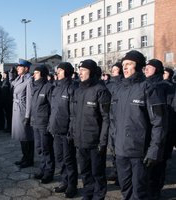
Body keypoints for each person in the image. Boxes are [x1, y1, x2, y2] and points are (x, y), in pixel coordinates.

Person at [110, 50, 166, 200]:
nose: (125, 68)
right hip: (121, 151)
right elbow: (113, 119)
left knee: (140, 192)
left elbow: (159, 123)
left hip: (139, 152)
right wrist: (113, 142)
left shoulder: (148, 88)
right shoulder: (119, 89)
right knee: (125, 188)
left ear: (139, 66)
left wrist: (154, 150)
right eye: (123, 65)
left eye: (129, 64)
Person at [70, 59, 111, 200]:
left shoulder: (101, 90)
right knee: (85, 171)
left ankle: (98, 196)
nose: (80, 73)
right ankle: (88, 194)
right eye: (79, 70)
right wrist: (72, 132)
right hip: (80, 140)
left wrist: (103, 141)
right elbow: (74, 115)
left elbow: (106, 118)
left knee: (97, 172)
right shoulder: (78, 90)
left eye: (83, 70)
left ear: (91, 72)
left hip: (95, 142)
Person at [145, 59, 175, 199]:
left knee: (158, 163)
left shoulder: (166, 87)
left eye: (149, 67)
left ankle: (155, 190)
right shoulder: (144, 85)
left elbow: (171, 110)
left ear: (156, 69)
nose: (146, 69)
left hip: (164, 130)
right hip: (147, 131)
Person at [48, 62, 78, 198]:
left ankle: (72, 185)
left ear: (66, 72)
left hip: (66, 131)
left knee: (69, 159)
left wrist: (70, 131)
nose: (57, 73)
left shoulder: (72, 88)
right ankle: (64, 182)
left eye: (59, 71)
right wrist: (50, 126)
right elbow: (53, 110)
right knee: (60, 158)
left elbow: (74, 114)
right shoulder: (56, 87)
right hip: (56, 130)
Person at [30, 65, 55, 184]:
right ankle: (42, 169)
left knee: (47, 149)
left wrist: (50, 124)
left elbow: (52, 108)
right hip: (36, 123)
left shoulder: (48, 87)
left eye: (36, 73)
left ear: (43, 74)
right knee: (39, 148)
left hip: (44, 124)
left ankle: (49, 172)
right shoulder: (34, 87)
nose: (34, 75)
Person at [10, 59, 34, 169]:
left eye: (20, 67)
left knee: (26, 136)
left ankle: (29, 159)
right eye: (17, 67)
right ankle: (25, 157)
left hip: (23, 111)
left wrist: (28, 115)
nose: (17, 68)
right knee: (21, 136)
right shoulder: (19, 78)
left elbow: (30, 99)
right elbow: (12, 84)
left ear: (26, 68)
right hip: (17, 110)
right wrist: (11, 73)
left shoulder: (29, 80)